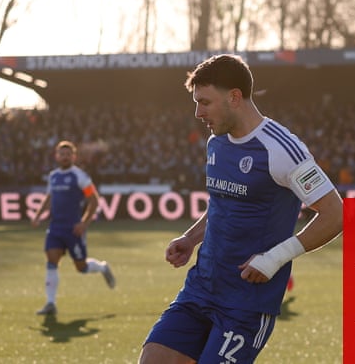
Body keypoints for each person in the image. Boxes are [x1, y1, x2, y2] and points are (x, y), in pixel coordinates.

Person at [139, 54, 344, 364]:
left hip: (246, 303)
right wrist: (190, 238)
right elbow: (223, 203)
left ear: (234, 97)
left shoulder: (281, 150)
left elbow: (335, 213)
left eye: (205, 102)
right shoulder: (216, 143)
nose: (198, 112)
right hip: (200, 288)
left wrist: (274, 259)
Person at [29, 140, 116, 316]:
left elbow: (94, 200)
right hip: (55, 228)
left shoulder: (80, 176)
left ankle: (102, 268)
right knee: (51, 261)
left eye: (68, 154)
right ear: (56, 156)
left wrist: (84, 223)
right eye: (62, 154)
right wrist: (38, 215)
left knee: (81, 267)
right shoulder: (53, 176)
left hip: (73, 229)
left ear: (74, 157)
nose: (65, 157)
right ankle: (50, 304)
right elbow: (49, 198)